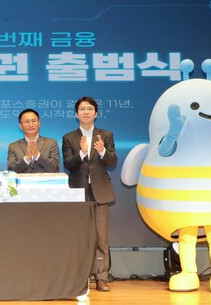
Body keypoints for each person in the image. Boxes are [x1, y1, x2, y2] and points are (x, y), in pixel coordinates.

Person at [62, 96, 117, 292]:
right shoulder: (69, 137)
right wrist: (82, 154)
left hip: (100, 192)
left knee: (101, 237)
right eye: (82, 109)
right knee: (80, 237)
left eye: (90, 109)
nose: (86, 112)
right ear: (76, 114)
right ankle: (80, 277)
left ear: (96, 113)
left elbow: (112, 162)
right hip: (78, 192)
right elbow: (68, 164)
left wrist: (102, 152)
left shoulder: (106, 135)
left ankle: (101, 277)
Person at [7, 108, 60, 173]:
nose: (31, 124)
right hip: (22, 183)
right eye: (27, 122)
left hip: (45, 182)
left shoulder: (51, 143)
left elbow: (54, 168)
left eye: (34, 121)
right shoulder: (13, 146)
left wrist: (38, 155)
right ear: (20, 126)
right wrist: (26, 158)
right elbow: (11, 171)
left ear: (39, 123)